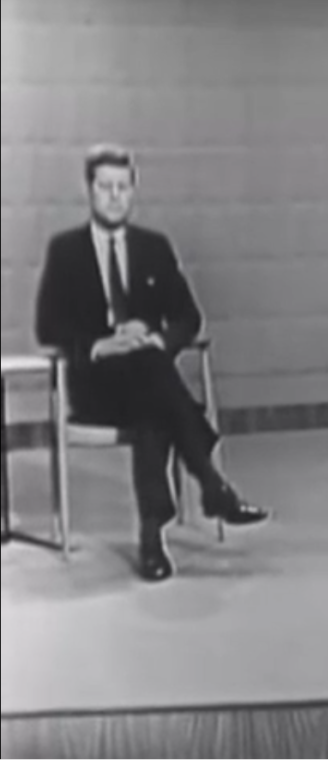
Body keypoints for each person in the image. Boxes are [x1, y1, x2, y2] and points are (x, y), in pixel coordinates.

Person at [35, 144, 269, 582]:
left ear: (133, 192)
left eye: (123, 187)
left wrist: (158, 338)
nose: (115, 196)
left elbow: (188, 316)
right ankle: (211, 484)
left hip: (147, 383)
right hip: (96, 388)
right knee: (157, 388)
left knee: (151, 390)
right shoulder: (66, 251)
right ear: (90, 191)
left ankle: (153, 539)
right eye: (105, 187)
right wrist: (103, 345)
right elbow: (48, 327)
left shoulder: (154, 247)